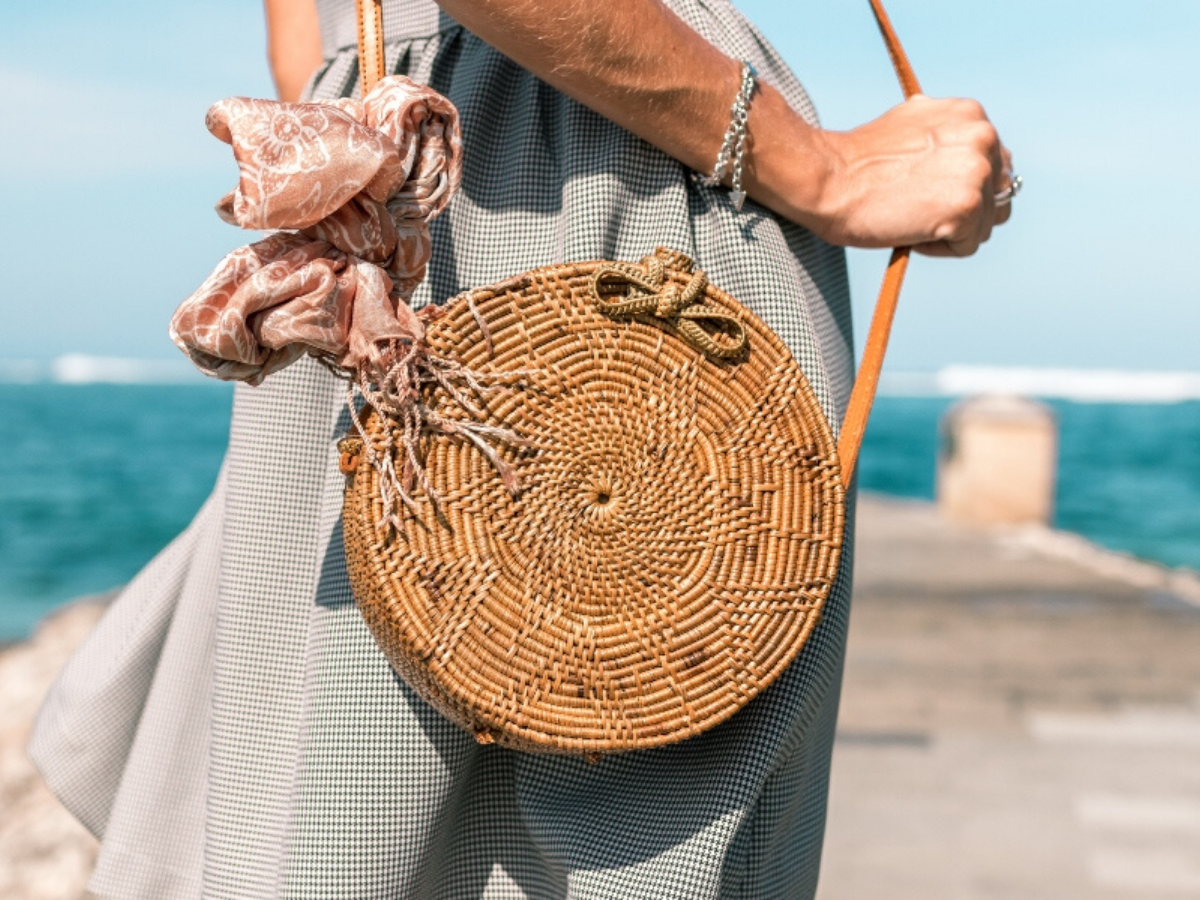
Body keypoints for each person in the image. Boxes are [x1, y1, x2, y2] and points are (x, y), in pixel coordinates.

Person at [30, 0, 1013, 897]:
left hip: (401, 168)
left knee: (331, 827)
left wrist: (352, 176)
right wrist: (820, 168)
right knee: (649, 848)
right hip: (613, 163)